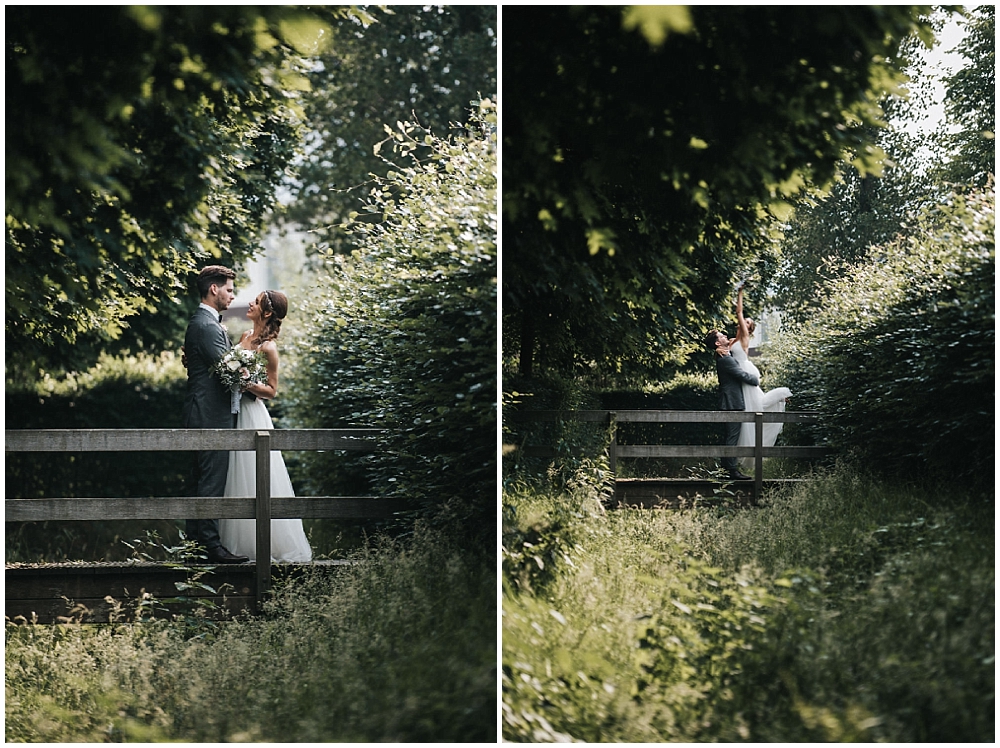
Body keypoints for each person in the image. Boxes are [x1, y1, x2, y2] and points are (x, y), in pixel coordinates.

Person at [218, 290, 312, 563]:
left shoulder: (268, 348)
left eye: (255, 302)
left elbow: (271, 390)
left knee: (254, 474)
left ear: (267, 312)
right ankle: (233, 544)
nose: (249, 303)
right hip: (234, 412)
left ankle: (265, 544)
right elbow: (229, 366)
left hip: (252, 413)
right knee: (235, 474)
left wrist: (245, 381)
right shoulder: (246, 337)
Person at [182, 265, 249, 564]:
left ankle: (195, 547)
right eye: (230, 290)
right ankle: (209, 547)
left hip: (205, 411)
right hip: (208, 414)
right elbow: (228, 372)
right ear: (214, 289)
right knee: (210, 480)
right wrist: (251, 378)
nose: (232, 296)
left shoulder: (205, 324)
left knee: (201, 480)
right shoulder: (207, 326)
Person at [729, 282, 792, 467]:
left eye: (747, 322)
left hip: (745, 373)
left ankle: (781, 395)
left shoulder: (744, 339)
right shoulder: (733, 340)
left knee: (758, 406)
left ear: (749, 329)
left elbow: (738, 313)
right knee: (753, 407)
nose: (744, 322)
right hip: (741, 373)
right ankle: (780, 398)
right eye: (744, 321)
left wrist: (740, 292)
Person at [704, 328, 758, 480]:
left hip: (731, 401)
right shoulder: (726, 359)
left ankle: (726, 469)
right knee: (732, 436)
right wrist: (755, 379)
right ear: (717, 342)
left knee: (730, 436)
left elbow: (736, 339)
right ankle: (731, 470)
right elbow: (740, 374)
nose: (725, 335)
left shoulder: (726, 355)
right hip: (731, 402)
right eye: (722, 336)